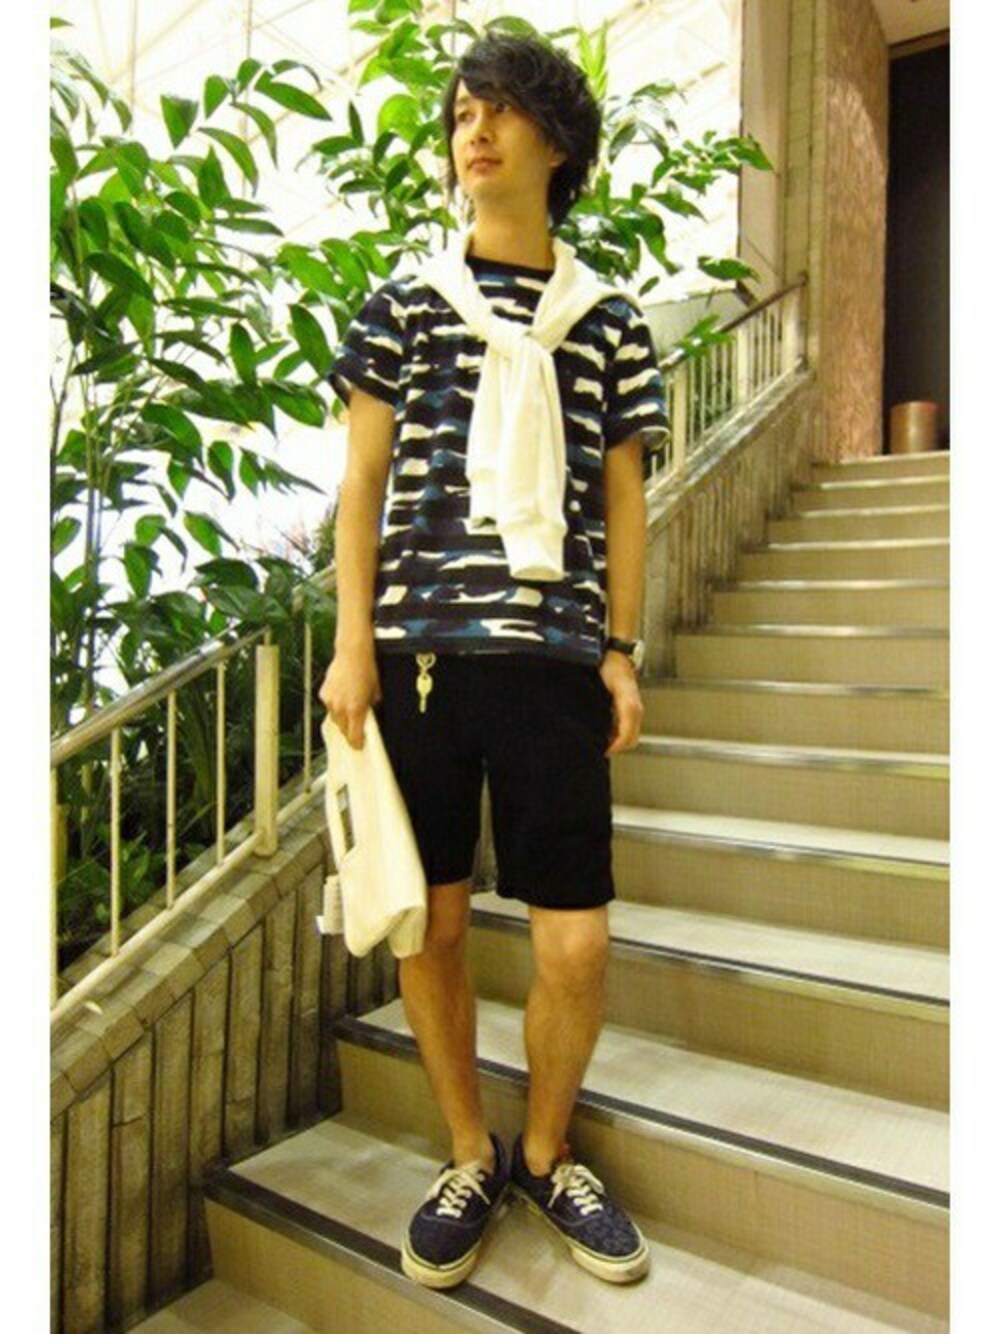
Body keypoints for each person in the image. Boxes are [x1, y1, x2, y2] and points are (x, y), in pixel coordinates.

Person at [320, 30, 667, 1291]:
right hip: (418, 660)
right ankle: (468, 1150)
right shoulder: (403, 306)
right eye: (463, 113)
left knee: (575, 943)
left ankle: (546, 1150)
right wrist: (350, 646)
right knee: (436, 927)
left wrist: (620, 651)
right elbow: (361, 486)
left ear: (555, 141)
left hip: (557, 662)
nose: (475, 130)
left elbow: (622, 504)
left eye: (501, 110)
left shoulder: (608, 322)